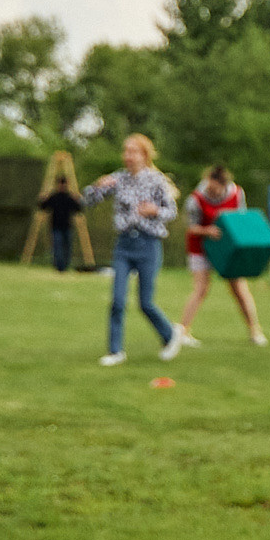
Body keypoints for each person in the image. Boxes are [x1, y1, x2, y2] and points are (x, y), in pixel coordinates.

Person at [83, 133, 181, 366]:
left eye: (133, 151)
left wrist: (154, 211)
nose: (128, 156)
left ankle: (170, 335)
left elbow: (171, 211)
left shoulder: (156, 181)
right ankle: (115, 351)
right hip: (124, 245)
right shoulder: (118, 179)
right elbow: (87, 201)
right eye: (125, 151)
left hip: (148, 244)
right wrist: (97, 186)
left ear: (144, 155)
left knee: (145, 303)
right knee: (117, 300)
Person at [179, 165, 267, 346]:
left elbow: (240, 220)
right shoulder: (195, 199)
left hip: (228, 249)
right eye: (210, 188)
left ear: (224, 185)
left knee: (239, 289)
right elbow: (191, 228)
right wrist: (207, 231)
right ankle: (183, 331)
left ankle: (255, 330)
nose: (213, 192)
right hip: (200, 247)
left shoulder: (237, 194)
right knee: (201, 289)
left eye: (216, 189)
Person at [38, 175, 84, 273]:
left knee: (67, 247)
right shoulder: (54, 197)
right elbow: (43, 207)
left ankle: (65, 266)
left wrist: (78, 200)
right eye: (61, 184)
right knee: (57, 247)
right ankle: (59, 267)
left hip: (67, 226)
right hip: (56, 226)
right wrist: (42, 199)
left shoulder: (69, 197)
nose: (62, 186)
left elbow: (78, 209)